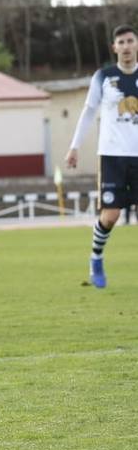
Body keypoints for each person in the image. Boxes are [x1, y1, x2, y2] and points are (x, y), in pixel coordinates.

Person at [65, 24, 138, 288]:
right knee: (111, 216)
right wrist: (74, 146)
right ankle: (96, 257)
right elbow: (88, 112)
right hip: (112, 155)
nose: (127, 46)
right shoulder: (103, 77)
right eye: (122, 42)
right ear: (114, 47)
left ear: (136, 44)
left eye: (130, 40)